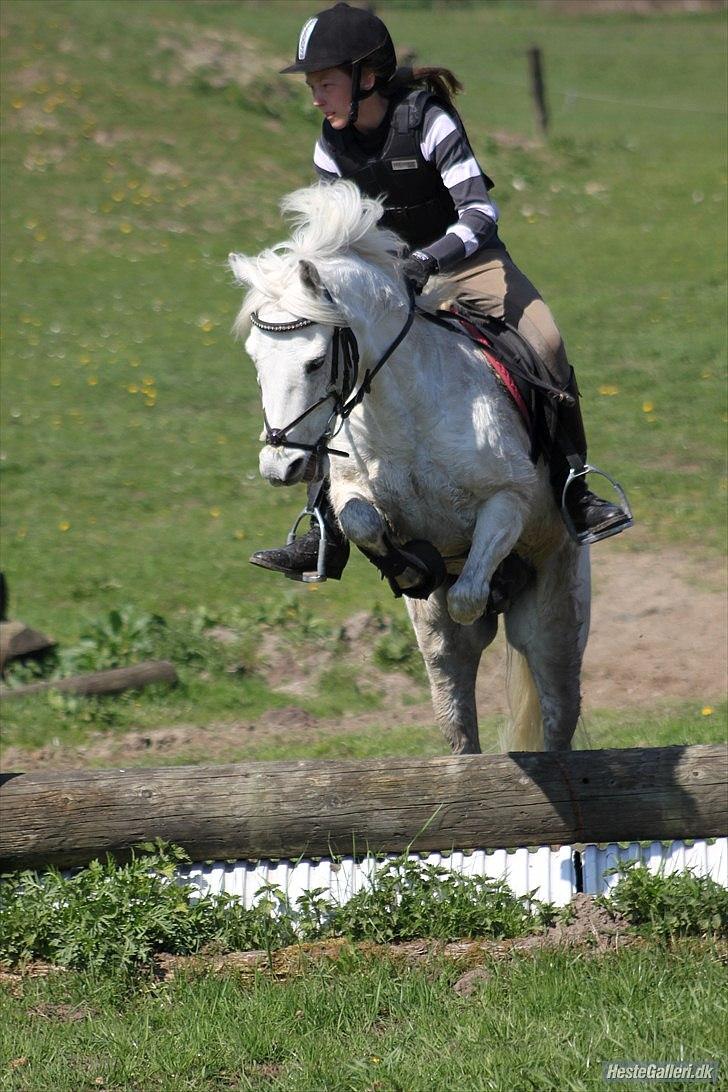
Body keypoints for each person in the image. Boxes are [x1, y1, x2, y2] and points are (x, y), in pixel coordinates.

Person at [250, 1, 632, 583]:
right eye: (311, 84)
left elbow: (479, 211)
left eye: (324, 82)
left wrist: (426, 261)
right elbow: (330, 242)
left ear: (366, 78)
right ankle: (324, 527)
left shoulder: (428, 121)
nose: (316, 97)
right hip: (387, 281)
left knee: (547, 342)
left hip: (468, 261)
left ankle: (574, 486)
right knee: (332, 363)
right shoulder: (330, 146)